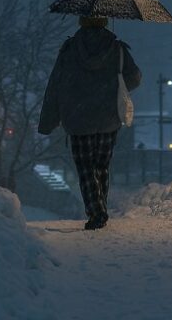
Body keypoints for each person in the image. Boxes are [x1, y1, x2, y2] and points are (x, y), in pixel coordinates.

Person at [38, 15, 141, 230]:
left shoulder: (69, 50)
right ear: (104, 22)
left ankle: (97, 212)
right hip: (108, 118)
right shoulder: (117, 48)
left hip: (77, 118)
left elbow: (55, 83)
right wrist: (114, 85)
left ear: (81, 22)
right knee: (101, 166)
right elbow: (135, 78)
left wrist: (49, 120)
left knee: (85, 169)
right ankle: (100, 206)